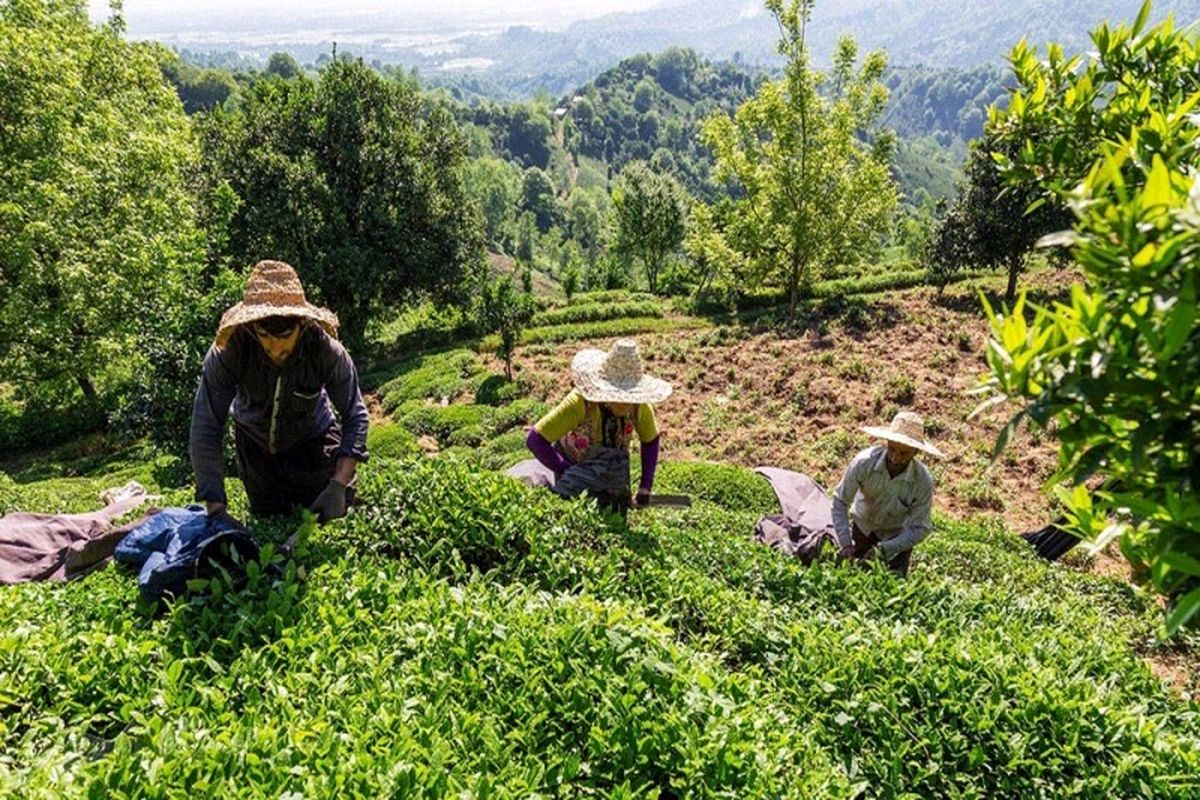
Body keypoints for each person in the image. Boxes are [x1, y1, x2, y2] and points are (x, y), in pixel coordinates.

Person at [190, 260, 369, 522]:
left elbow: (355, 414)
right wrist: (215, 507)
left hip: (313, 441)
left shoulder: (326, 350)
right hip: (256, 447)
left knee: (331, 512)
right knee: (270, 515)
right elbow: (207, 424)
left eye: (285, 340)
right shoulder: (229, 351)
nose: (275, 350)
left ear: (302, 324)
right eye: (265, 338)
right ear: (253, 326)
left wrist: (339, 484)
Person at [509, 339, 670, 513]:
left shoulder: (640, 406)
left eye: (630, 397)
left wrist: (645, 486)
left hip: (614, 475)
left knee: (613, 516)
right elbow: (536, 439)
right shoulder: (580, 403)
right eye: (619, 397)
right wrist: (566, 470)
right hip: (574, 470)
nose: (626, 404)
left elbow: (650, 442)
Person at [830, 411, 943, 576]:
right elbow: (840, 501)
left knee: (892, 586)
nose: (895, 458)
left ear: (916, 452)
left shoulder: (922, 481)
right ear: (887, 442)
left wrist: (886, 549)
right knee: (849, 576)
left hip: (895, 540)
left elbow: (920, 528)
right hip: (862, 530)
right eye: (892, 449)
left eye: (904, 453)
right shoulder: (864, 464)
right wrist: (846, 543)